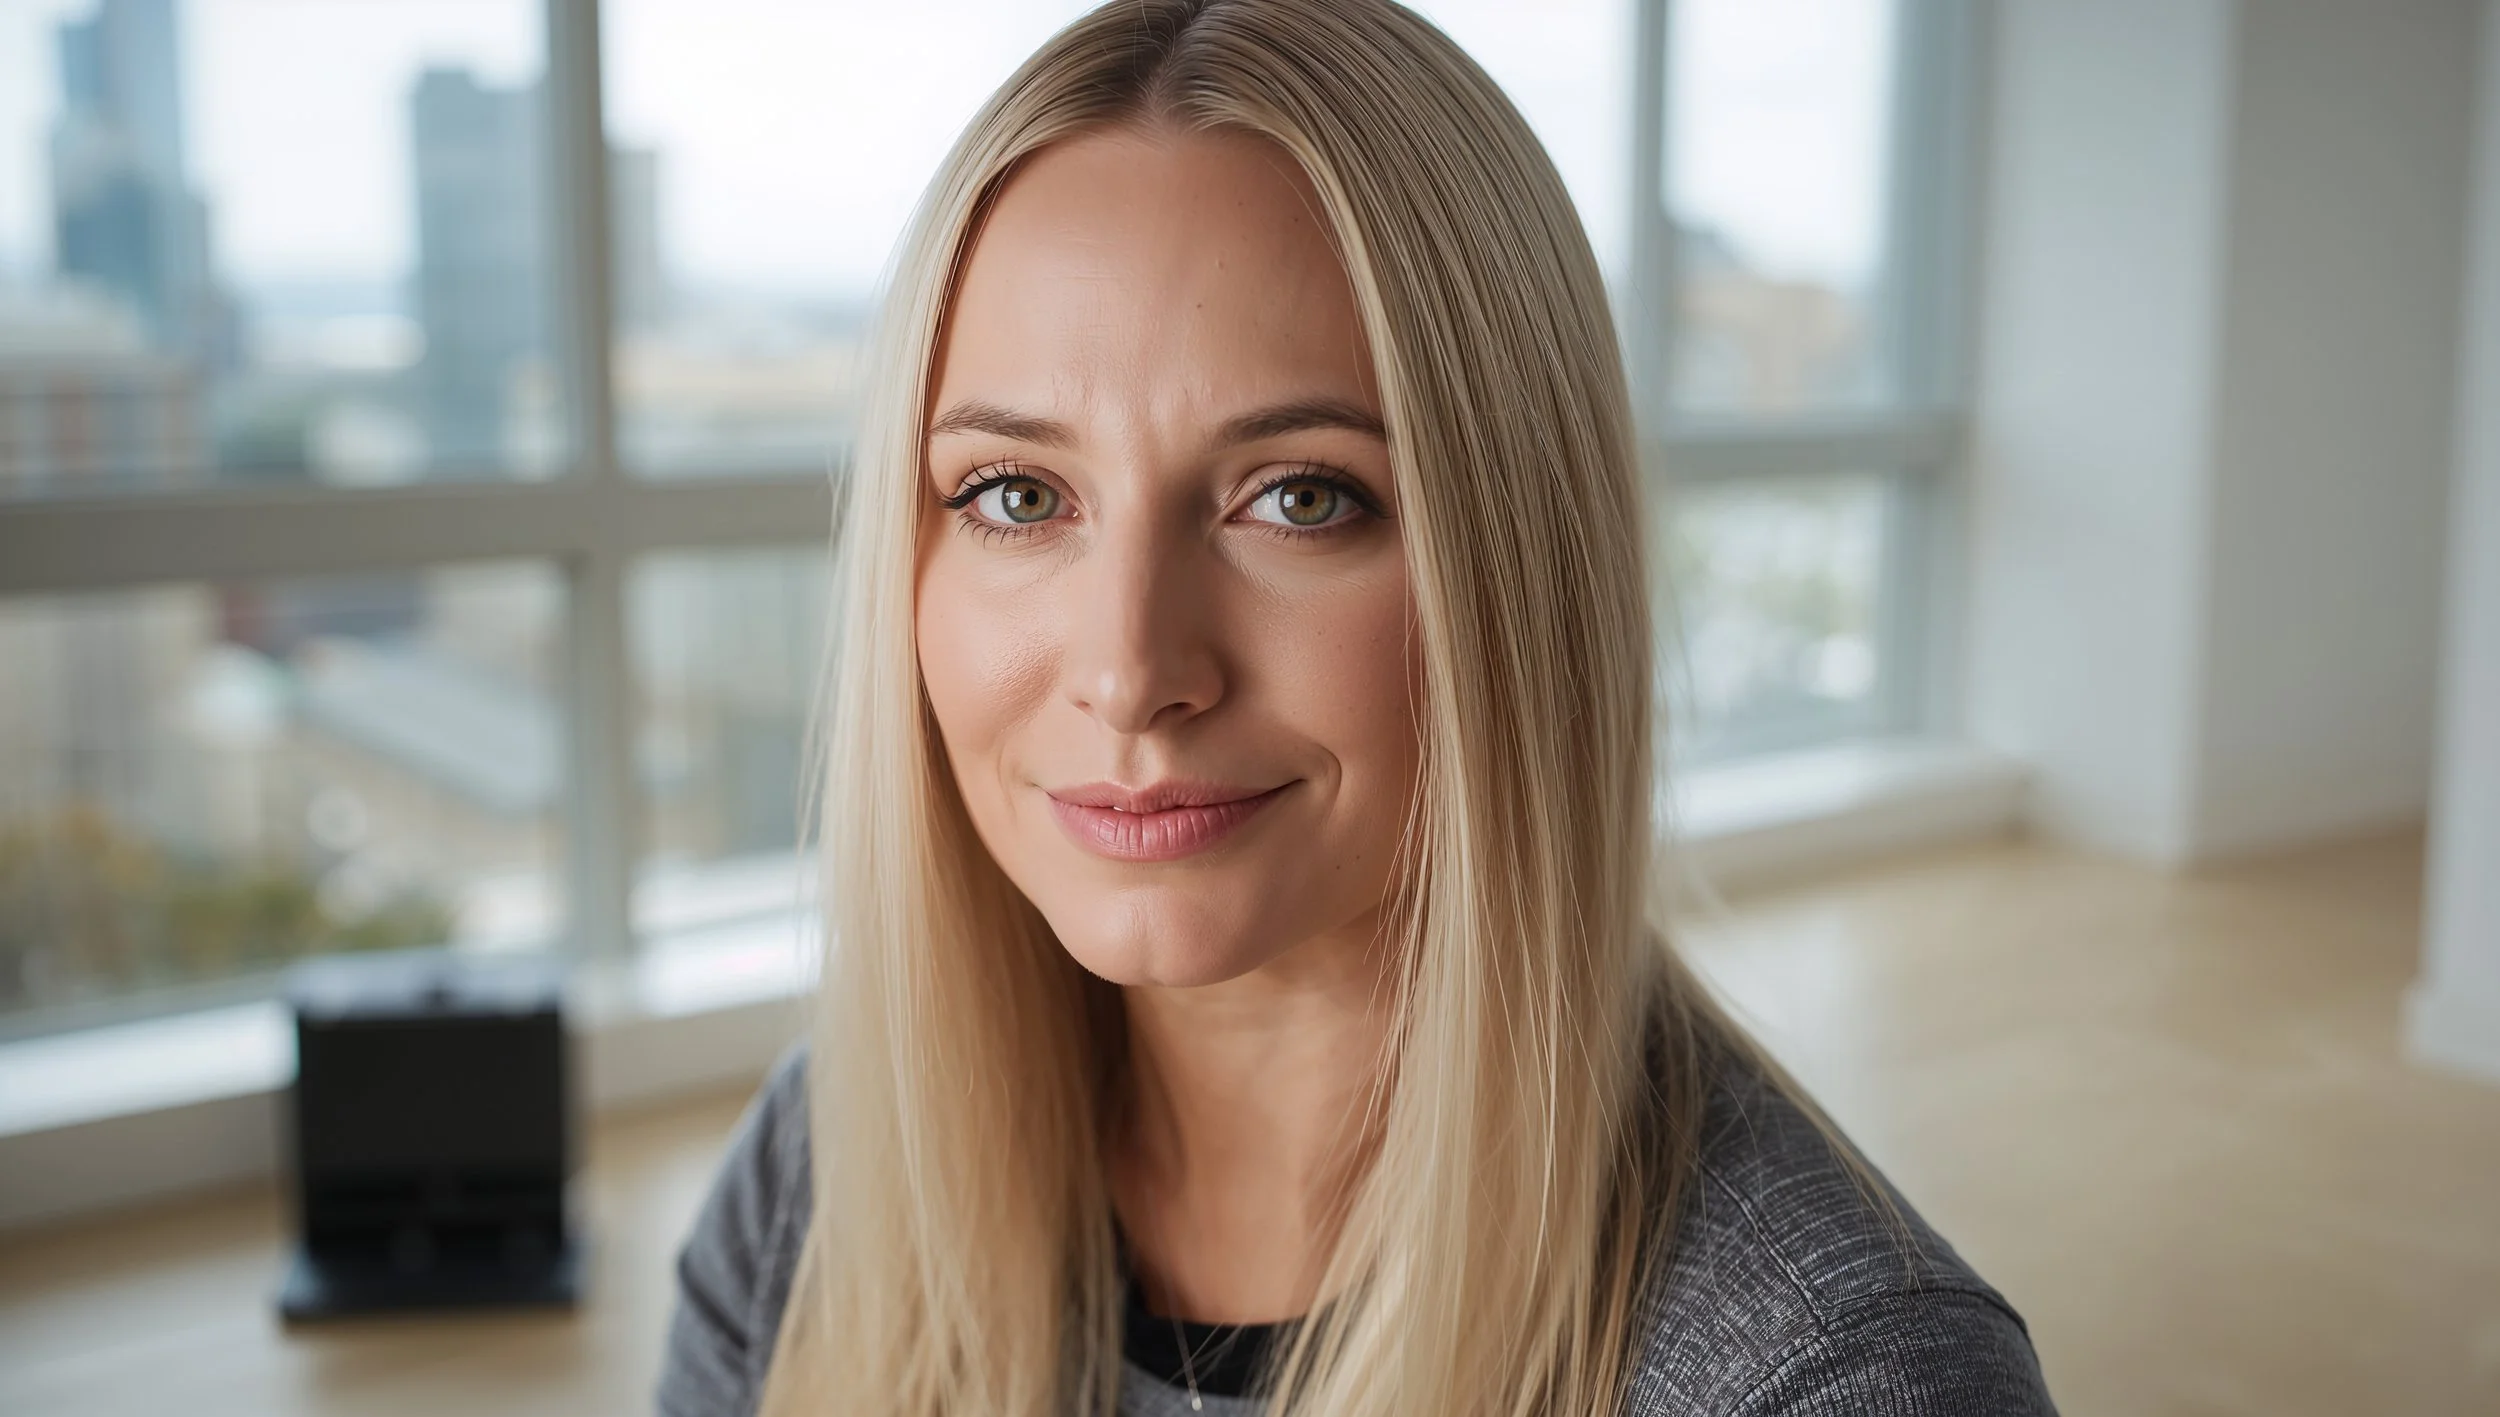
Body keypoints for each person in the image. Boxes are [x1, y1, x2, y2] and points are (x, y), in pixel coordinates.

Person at [656, 1, 2058, 1413]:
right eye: (1017, 495)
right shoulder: (819, 1185)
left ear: (1528, 565)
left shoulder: (1837, 1376)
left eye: (1301, 498)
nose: (1130, 672)